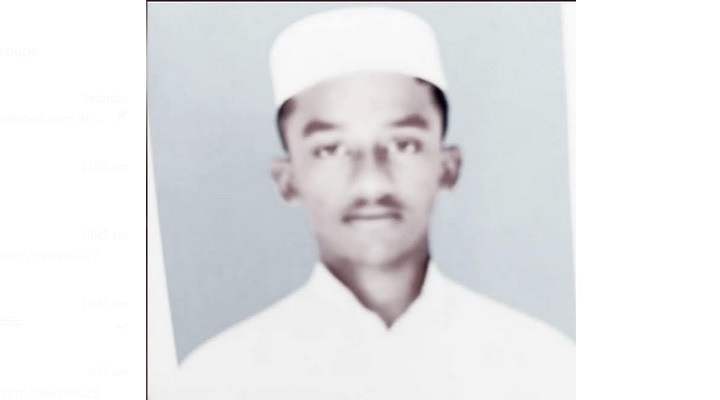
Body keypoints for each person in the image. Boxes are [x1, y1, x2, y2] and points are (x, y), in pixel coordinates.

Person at [176, 7, 574, 400]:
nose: (371, 181)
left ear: (447, 167)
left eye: (403, 144)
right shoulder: (217, 379)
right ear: (287, 180)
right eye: (331, 149)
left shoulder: (544, 365)